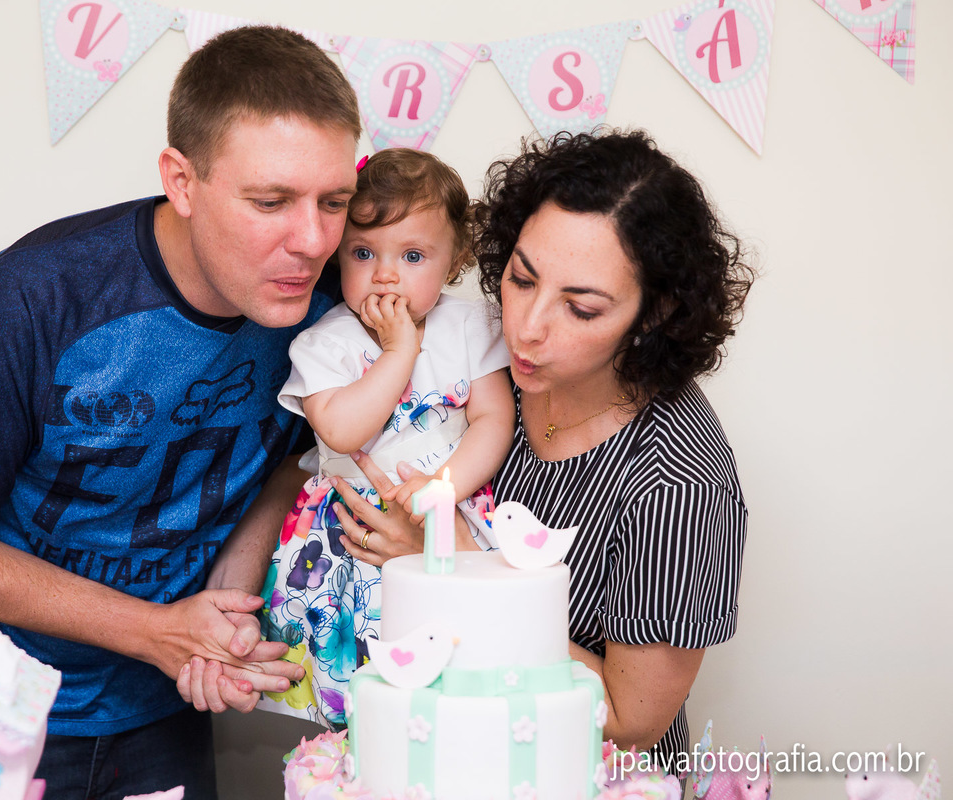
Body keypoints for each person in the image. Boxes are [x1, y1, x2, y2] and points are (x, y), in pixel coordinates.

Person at [0, 25, 362, 800]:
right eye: (270, 201)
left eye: (334, 202)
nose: (312, 240)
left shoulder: (334, 305)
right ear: (182, 181)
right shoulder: (37, 294)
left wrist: (231, 594)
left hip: (164, 704)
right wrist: (154, 630)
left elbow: (298, 456)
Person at [318, 129, 755, 767]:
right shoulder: (496, 372)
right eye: (522, 279)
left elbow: (631, 722)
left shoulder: (679, 485)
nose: (526, 327)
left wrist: (450, 563)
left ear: (655, 313)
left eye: (581, 309)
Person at [256, 149, 515, 728]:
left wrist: (443, 487)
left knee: (456, 659)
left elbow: (494, 420)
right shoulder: (324, 343)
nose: (385, 274)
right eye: (363, 253)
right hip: (348, 533)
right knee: (368, 690)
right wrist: (400, 351)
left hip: (446, 505)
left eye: (413, 256)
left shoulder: (469, 326)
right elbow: (341, 430)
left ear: (455, 260)